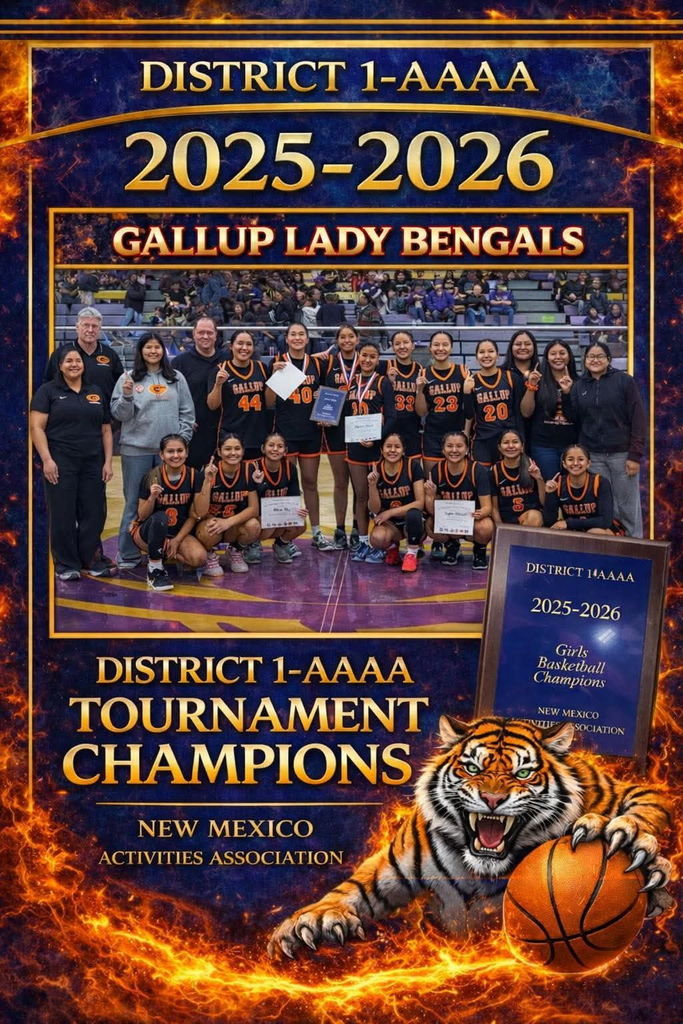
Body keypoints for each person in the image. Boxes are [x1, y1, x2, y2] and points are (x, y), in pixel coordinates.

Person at [111, 332, 195, 569]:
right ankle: (128, 553)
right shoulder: (128, 378)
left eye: (157, 347)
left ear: (163, 350)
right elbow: (119, 414)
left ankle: (159, 551)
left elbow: (187, 412)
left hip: (169, 456)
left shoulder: (176, 378)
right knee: (133, 504)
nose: (153, 351)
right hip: (135, 451)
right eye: (148, 347)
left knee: (166, 503)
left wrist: (182, 441)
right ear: (140, 351)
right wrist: (127, 395)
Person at [30, 346, 113, 581]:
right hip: (61, 461)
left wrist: (107, 462)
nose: (74, 364)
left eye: (78, 360)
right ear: (59, 365)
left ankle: (92, 559)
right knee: (63, 513)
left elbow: (106, 429)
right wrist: (47, 460)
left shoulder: (95, 391)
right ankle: (66, 563)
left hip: (93, 462)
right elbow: (36, 427)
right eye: (69, 361)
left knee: (94, 512)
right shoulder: (47, 391)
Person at [560, 340, 645, 536]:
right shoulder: (579, 385)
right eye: (591, 356)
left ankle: (635, 547)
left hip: (621, 454)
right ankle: (614, 548)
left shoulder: (624, 381)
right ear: (585, 360)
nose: (595, 360)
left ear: (608, 359)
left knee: (627, 504)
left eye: (599, 356)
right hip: (594, 456)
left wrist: (635, 455)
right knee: (606, 506)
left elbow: (638, 418)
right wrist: (566, 394)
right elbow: (573, 418)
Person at [266, 322, 334, 551]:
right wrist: (274, 377)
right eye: (293, 334)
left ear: (307, 339)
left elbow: (326, 395)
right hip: (285, 433)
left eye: (301, 335)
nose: (297, 338)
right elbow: (268, 403)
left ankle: (316, 532)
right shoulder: (278, 363)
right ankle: (282, 537)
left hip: (311, 431)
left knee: (310, 483)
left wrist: (320, 397)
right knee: (285, 484)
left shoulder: (316, 363)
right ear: (286, 338)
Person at [131, 434, 211, 591]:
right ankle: (155, 569)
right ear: (162, 455)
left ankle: (165, 554)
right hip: (148, 531)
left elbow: (197, 514)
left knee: (199, 558)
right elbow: (142, 515)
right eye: (170, 451)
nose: (176, 455)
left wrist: (177, 540)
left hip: (178, 532)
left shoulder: (195, 475)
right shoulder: (151, 476)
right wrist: (152, 498)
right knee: (160, 518)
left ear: (187, 452)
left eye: (180, 451)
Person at [345, 341, 396, 563]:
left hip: (375, 448)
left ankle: (380, 542)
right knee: (360, 495)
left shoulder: (384, 382)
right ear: (358, 356)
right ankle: (364, 541)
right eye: (364, 355)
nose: (367, 360)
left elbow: (393, 416)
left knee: (376, 497)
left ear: (378, 360)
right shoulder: (351, 383)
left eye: (372, 356)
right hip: (354, 447)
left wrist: (377, 438)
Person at [320, 324, 362, 550]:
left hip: (360, 429)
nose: (347, 340)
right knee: (340, 482)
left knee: (359, 485)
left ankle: (357, 527)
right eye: (342, 337)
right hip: (335, 429)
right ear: (337, 340)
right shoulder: (327, 363)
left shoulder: (366, 361)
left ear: (357, 339)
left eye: (350, 336)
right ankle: (339, 528)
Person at [424, 431, 493, 569]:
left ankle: (479, 551)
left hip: (472, 519)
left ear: (467, 449)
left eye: (459, 446)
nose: (454, 450)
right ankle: (452, 546)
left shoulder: (477, 470)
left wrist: (480, 513)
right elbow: (432, 511)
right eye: (449, 446)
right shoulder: (437, 471)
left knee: (486, 527)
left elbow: (487, 507)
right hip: (451, 520)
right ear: (443, 450)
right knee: (430, 525)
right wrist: (430, 497)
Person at [194, 434, 261, 575]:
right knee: (209, 529)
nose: (233, 453)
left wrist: (227, 522)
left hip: (232, 524)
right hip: (210, 522)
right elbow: (199, 511)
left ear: (243, 451)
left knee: (253, 525)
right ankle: (210, 554)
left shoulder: (248, 470)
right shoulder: (208, 471)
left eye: (237, 448)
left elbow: (254, 509)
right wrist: (207, 482)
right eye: (228, 449)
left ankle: (236, 551)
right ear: (219, 452)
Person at [464, 339, 534, 465]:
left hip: (508, 439)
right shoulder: (472, 381)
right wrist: (467, 393)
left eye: (491, 351)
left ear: (498, 355)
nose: (486, 355)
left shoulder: (511, 377)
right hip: (483, 439)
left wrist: (521, 438)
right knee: (483, 480)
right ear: (476, 357)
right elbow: (469, 414)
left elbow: (519, 413)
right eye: (481, 352)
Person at [172, 316, 229, 469]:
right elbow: (172, 397)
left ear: (216, 335)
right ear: (193, 334)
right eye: (201, 332)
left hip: (224, 429)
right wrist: (181, 421)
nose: (205, 336)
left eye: (209, 333)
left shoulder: (228, 359)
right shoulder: (179, 363)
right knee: (193, 482)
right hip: (194, 431)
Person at [415, 331, 473, 478]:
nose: (440, 348)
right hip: (433, 435)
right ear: (430, 348)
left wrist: (466, 433)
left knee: (458, 482)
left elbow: (470, 409)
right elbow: (421, 412)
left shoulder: (463, 371)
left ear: (451, 348)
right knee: (432, 482)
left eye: (445, 344)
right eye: (436, 345)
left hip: (457, 434)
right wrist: (419, 391)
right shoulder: (424, 373)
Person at [206, 330, 270, 460]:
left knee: (254, 478)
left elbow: (269, 403)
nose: (244, 348)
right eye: (240, 343)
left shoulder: (262, 368)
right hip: (230, 437)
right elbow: (212, 406)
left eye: (249, 344)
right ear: (231, 346)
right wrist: (218, 385)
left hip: (257, 435)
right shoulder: (220, 369)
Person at [366, 433, 425, 573]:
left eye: (397, 447)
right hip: (390, 524)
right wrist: (372, 486)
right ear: (381, 449)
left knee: (414, 514)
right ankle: (392, 548)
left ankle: (411, 553)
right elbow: (374, 508)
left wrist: (390, 512)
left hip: (411, 523)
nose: (392, 450)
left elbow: (420, 503)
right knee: (377, 538)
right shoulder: (375, 469)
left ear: (404, 450)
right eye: (388, 446)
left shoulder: (413, 466)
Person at [247, 432, 308, 566]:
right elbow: (248, 502)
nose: (275, 449)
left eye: (280, 446)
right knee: (265, 525)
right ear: (263, 448)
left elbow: (294, 495)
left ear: (285, 451)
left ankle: (281, 544)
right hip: (257, 516)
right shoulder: (253, 467)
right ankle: (252, 544)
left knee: (300, 522)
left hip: (276, 513)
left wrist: (299, 508)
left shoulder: (290, 468)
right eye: (271, 445)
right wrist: (259, 485)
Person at [44, 307, 123, 405]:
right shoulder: (60, 354)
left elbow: (120, 388)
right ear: (77, 327)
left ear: (99, 329)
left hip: (104, 417)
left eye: (94, 326)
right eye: (86, 325)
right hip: (69, 415)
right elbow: (48, 387)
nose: (90, 330)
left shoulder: (110, 355)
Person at [526, 340, 579, 480]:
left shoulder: (579, 383)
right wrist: (531, 386)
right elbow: (526, 412)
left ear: (569, 356)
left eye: (562, 353)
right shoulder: (538, 380)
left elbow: (579, 417)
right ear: (547, 358)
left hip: (572, 446)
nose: (558, 357)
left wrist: (567, 393)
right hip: (544, 446)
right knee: (551, 488)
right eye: (553, 354)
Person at [543, 444, 624, 534]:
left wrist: (569, 523)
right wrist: (549, 495)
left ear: (588, 463)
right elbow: (549, 523)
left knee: (594, 532)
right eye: (570, 459)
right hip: (574, 530)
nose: (576, 463)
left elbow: (605, 521)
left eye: (581, 459)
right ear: (564, 464)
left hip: (601, 529)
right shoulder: (558, 483)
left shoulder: (600, 482)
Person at [490, 429, 545, 527]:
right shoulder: (494, 471)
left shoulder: (532, 465)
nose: (511, 446)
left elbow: (544, 502)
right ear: (499, 447)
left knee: (534, 517)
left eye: (515, 442)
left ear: (522, 446)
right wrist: (500, 529)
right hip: (507, 520)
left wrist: (539, 478)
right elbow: (494, 508)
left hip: (531, 518)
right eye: (506, 442)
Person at [384, 331, 422, 458]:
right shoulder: (385, 366)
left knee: (413, 469)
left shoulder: (420, 369)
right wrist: (388, 382)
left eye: (405, 342)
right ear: (392, 346)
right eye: (397, 343)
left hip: (412, 428)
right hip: (389, 429)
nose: (402, 347)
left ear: (413, 345)